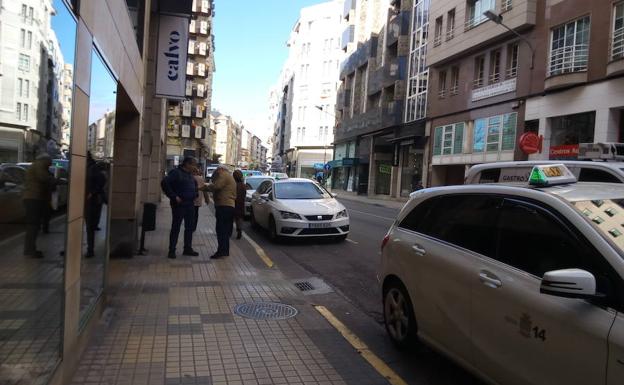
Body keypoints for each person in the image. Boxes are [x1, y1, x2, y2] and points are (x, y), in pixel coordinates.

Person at [162, 157, 200, 259]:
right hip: (179, 205)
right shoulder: (176, 173)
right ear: (187, 164)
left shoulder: (190, 175)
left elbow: (195, 186)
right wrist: (173, 196)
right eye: (193, 165)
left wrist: (195, 194)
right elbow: (165, 183)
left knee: (189, 227)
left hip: (190, 204)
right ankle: (172, 250)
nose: (195, 167)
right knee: (176, 227)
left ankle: (187, 248)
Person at [22, 153, 56, 258]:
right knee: (33, 225)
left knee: (34, 226)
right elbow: (44, 178)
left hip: (35, 198)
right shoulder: (39, 166)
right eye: (49, 163)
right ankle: (30, 250)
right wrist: (58, 181)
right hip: (33, 199)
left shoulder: (38, 166)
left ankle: (30, 249)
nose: (50, 165)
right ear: (45, 160)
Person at [205, 167, 236, 258]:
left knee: (221, 230)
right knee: (225, 230)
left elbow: (216, 186)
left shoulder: (223, 175)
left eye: (216, 173)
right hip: (229, 205)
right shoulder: (229, 176)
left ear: (220, 170)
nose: (216, 175)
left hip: (224, 205)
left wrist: (205, 187)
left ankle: (221, 251)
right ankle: (225, 250)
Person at [85, 155, 107, 258]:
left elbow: (101, 181)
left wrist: (92, 193)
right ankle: (90, 249)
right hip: (92, 201)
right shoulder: (92, 168)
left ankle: (90, 250)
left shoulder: (91, 169)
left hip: (90, 202)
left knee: (89, 227)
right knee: (90, 227)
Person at [192, 165, 210, 233]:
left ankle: (190, 225)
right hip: (198, 198)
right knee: (196, 213)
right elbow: (204, 189)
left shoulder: (190, 177)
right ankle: (194, 227)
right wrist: (206, 199)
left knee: (190, 213)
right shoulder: (201, 178)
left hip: (190, 198)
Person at [232, 170, 246, 240]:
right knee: (239, 218)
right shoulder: (243, 185)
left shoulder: (234, 185)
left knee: (230, 218)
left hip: (234, 202)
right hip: (241, 203)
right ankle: (239, 229)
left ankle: (229, 231)